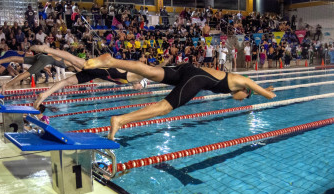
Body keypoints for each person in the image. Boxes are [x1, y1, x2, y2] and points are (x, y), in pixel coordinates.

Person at [82, 54, 276, 140]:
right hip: (196, 78)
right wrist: (268, 91)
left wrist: (263, 88)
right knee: (165, 107)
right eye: (247, 97)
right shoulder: (242, 80)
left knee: (150, 71)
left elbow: (260, 91)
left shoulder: (235, 83)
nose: (243, 99)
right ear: (247, 90)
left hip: (189, 69)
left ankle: (111, 60)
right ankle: (120, 120)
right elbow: (268, 96)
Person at [30, 45, 151, 109]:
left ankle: (44, 95)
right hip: (97, 68)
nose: (140, 89)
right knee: (75, 60)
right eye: (142, 87)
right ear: (142, 82)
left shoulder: (127, 81)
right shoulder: (134, 76)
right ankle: (47, 49)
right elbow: (149, 72)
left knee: (68, 81)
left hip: (94, 74)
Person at [0, 52, 70, 93]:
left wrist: (45, 68)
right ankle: (6, 85)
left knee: (20, 59)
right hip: (45, 59)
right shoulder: (71, 61)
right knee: (26, 74)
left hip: (42, 56)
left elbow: (50, 57)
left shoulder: (64, 56)